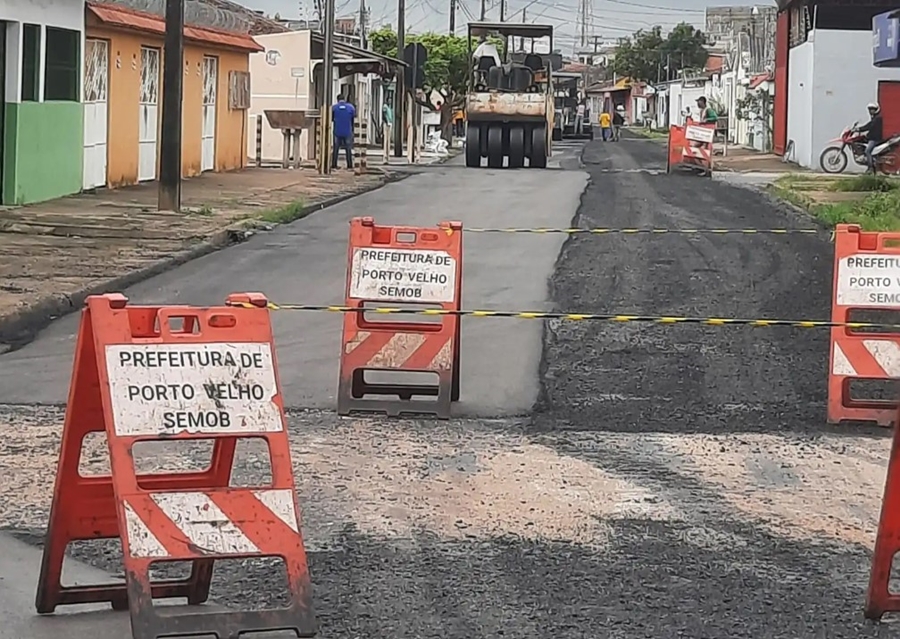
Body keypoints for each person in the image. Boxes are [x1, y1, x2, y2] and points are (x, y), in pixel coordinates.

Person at [858, 102, 883, 173]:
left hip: (875, 139)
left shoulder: (878, 118)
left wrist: (860, 129)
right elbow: (869, 126)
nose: (871, 111)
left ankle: (870, 168)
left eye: (872, 109)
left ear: (876, 109)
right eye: (870, 109)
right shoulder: (875, 118)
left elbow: (870, 126)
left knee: (867, 151)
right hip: (873, 138)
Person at [331, 94, 355, 170]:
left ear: (337, 99)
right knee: (348, 149)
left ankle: (334, 165)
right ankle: (349, 165)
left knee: (336, 148)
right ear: (344, 99)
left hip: (337, 131)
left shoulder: (334, 108)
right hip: (347, 131)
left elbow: (331, 118)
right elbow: (353, 118)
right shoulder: (350, 108)